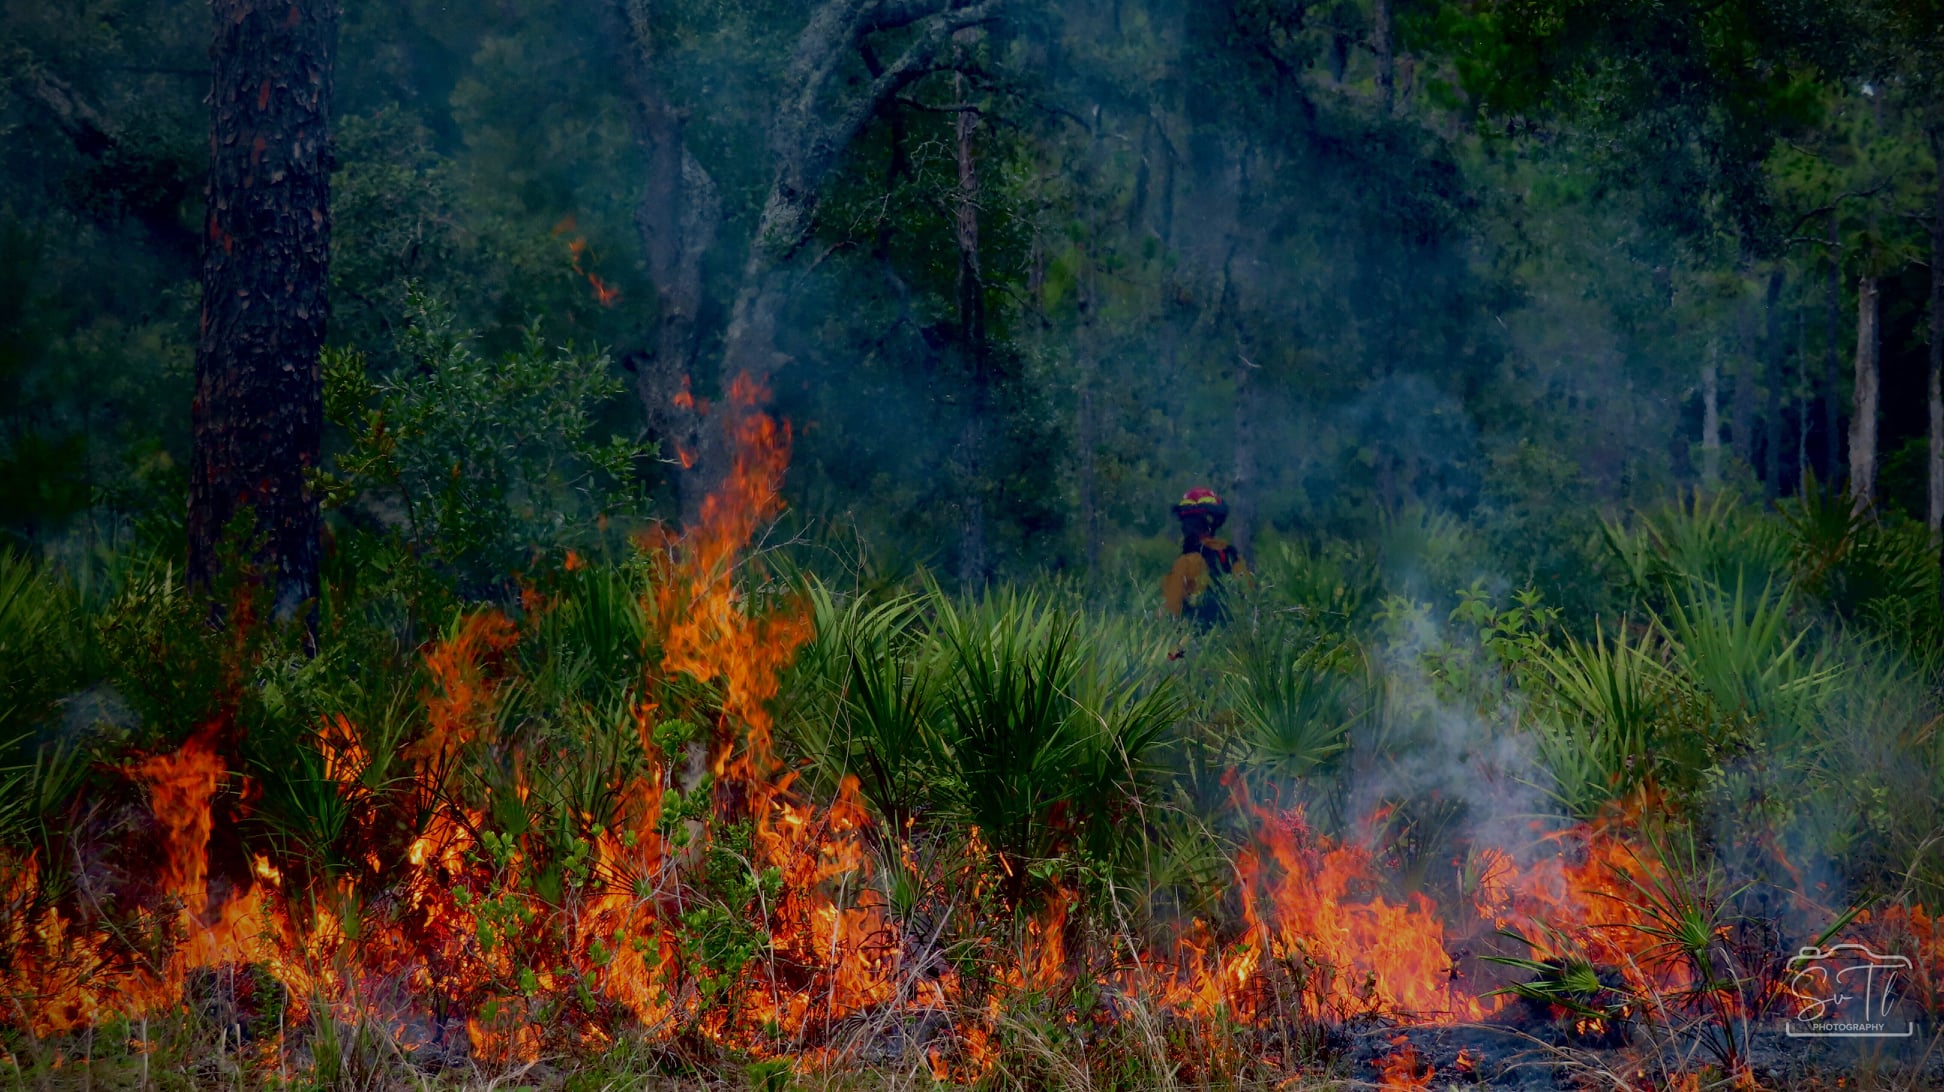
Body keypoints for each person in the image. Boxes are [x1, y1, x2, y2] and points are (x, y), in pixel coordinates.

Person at [1160, 487, 1247, 626]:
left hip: (1198, 639)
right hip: (1233, 637)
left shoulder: (1187, 562)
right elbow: (1247, 596)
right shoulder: (1232, 556)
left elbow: (1170, 611)